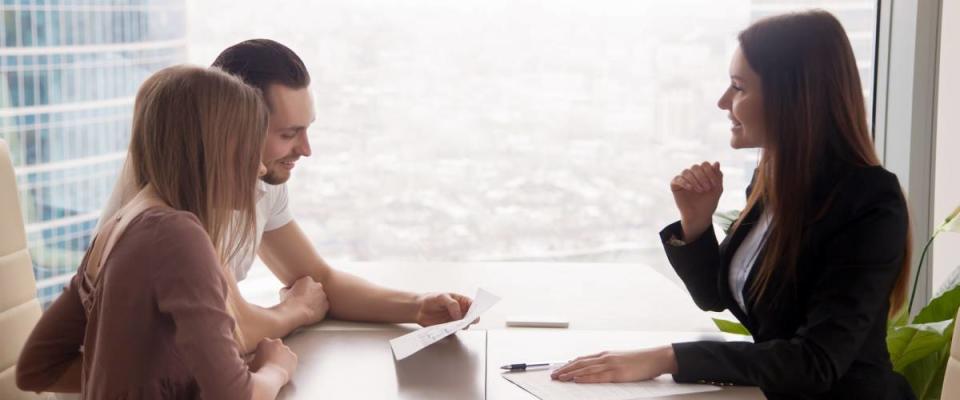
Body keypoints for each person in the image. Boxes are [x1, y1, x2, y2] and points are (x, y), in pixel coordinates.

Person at [551, 10, 915, 399]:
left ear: (791, 97)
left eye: (739, 87)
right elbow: (717, 294)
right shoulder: (773, 182)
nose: (723, 101)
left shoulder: (869, 202)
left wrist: (668, 358)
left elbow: (816, 363)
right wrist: (696, 222)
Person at [98, 39, 475, 352]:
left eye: (306, 129)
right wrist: (297, 311)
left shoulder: (262, 181)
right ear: (234, 129)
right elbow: (236, 329)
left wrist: (417, 306)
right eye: (288, 134)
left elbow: (316, 278)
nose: (306, 149)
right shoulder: (185, 199)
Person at [17, 66, 297, 399]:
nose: (261, 167)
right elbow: (235, 396)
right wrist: (275, 368)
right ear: (217, 148)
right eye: (251, 149)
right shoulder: (177, 236)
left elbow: (36, 369)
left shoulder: (117, 228)